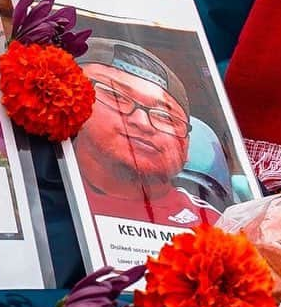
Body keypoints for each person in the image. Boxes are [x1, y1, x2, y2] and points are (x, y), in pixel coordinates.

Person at [74, 39, 220, 227]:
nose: (143, 123)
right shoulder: (29, 194)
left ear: (186, 147)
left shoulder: (217, 229)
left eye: (165, 116)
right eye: (116, 97)